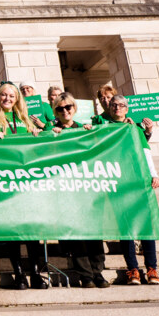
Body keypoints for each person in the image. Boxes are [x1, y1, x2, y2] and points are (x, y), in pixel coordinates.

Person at [0, 83, 47, 289]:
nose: (7, 99)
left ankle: (36, 272)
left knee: (32, 230)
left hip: (27, 182)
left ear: (17, 99)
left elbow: (39, 150)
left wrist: (38, 135)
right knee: (13, 230)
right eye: (3, 96)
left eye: (12, 96)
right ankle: (19, 273)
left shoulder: (25, 119)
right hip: (4, 182)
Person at [94, 96, 159, 286]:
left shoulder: (135, 128)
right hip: (117, 181)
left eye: (121, 105)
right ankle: (132, 269)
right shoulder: (104, 128)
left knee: (146, 226)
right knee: (125, 227)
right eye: (114, 105)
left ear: (127, 109)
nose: (117, 107)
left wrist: (153, 174)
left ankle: (152, 268)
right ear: (109, 108)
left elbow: (145, 151)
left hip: (138, 179)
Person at [50, 93, 106, 288]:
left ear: (74, 108)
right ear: (55, 111)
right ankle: (86, 275)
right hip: (67, 190)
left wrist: (91, 134)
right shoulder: (52, 132)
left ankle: (98, 272)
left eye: (68, 107)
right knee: (77, 234)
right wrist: (52, 137)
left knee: (94, 231)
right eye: (60, 108)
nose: (65, 111)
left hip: (87, 188)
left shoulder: (84, 129)